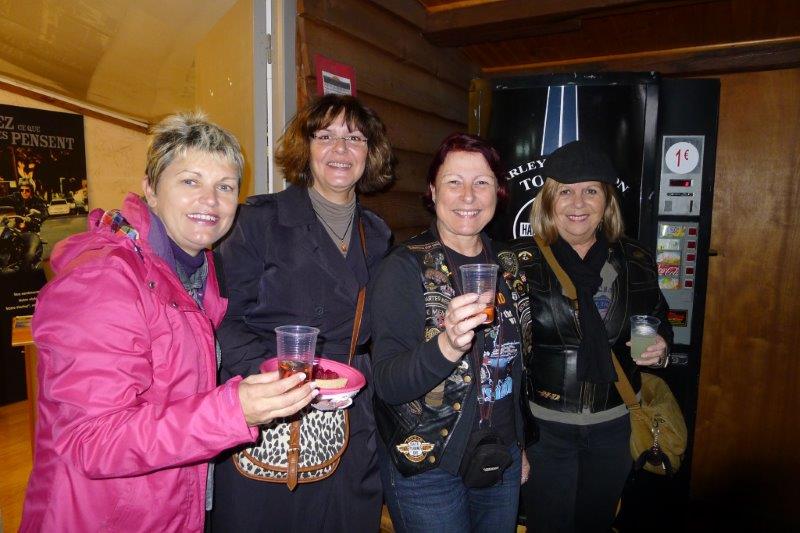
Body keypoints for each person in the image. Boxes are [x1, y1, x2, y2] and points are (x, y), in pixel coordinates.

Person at [20, 112, 317, 533]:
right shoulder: (103, 280)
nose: (210, 200)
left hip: (168, 507)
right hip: (100, 517)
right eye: (190, 181)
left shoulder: (193, 271)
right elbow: (93, 440)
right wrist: (232, 410)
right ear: (151, 189)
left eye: (225, 186)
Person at [211, 94, 394, 532]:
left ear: (369, 153)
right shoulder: (256, 221)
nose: (340, 149)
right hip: (272, 412)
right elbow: (221, 321)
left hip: (351, 412)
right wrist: (282, 379)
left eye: (355, 138)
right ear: (305, 147)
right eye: (325, 136)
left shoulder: (377, 234)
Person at [508, 140, 674, 532]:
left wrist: (662, 346)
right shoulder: (516, 262)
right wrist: (512, 435)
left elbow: (659, 320)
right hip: (543, 429)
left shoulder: (636, 260)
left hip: (615, 427)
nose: (578, 203)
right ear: (549, 201)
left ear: (607, 201)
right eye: (565, 191)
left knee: (596, 524)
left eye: (591, 191)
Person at [370, 133, 532, 533]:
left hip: (500, 457)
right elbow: (387, 383)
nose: (468, 196)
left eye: (482, 182)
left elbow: (516, 369)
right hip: (428, 465)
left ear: (498, 191)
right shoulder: (403, 267)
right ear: (432, 190)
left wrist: (520, 444)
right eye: (453, 182)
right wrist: (446, 345)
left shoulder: (509, 263)